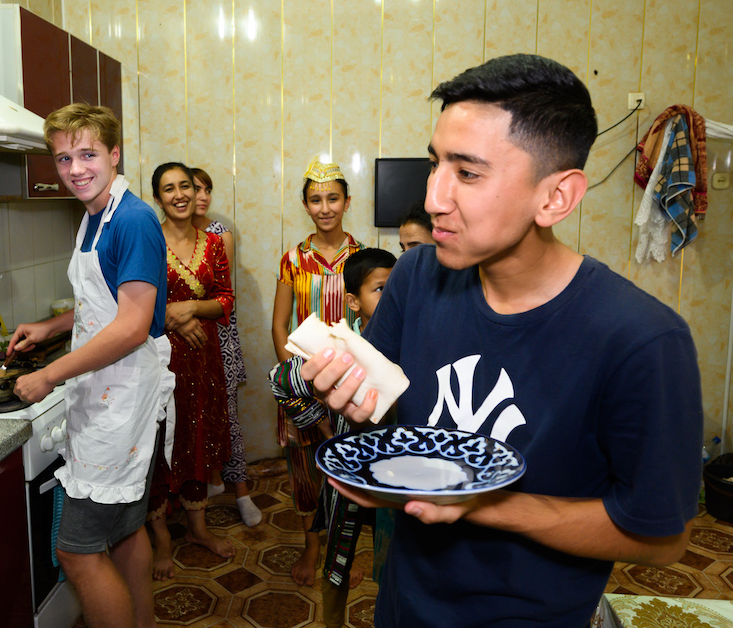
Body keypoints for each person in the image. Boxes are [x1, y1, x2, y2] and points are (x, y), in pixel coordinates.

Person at [301, 54, 702, 627]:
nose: (435, 197)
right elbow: (383, 428)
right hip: (403, 603)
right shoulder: (416, 278)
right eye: (436, 163)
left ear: (556, 197)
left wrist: (488, 506)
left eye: (467, 173)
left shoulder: (642, 340)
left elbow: (662, 539)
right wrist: (344, 396)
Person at [7, 103, 173, 628]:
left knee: (77, 553)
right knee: (125, 532)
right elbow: (102, 303)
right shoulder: (93, 217)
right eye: (63, 159)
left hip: (121, 401)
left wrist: (49, 373)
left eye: (87, 154)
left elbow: (131, 324)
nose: (75, 169)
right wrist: (49, 329)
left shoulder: (134, 219)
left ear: (114, 154)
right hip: (106, 393)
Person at [270, 247, 397, 628]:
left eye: (397, 290)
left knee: (394, 559)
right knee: (339, 554)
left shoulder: (411, 342)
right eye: (380, 290)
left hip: (393, 476)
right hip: (350, 473)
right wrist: (321, 426)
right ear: (354, 302)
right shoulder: (343, 348)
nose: (391, 299)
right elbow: (279, 380)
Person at [271, 159, 367, 587]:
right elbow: (279, 324)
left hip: (350, 379)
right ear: (305, 206)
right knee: (305, 466)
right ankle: (312, 547)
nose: (324, 207)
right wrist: (298, 380)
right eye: (315, 199)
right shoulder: (293, 258)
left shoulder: (363, 257)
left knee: (348, 461)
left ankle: (343, 547)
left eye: (332, 198)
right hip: (303, 382)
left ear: (347, 201)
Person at [146, 162, 236, 580]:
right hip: (159, 362)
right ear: (158, 197)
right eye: (169, 188)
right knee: (160, 440)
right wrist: (172, 317)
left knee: (197, 436)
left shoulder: (213, 243)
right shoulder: (147, 241)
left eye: (185, 185)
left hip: (204, 363)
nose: (180, 194)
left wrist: (191, 308)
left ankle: (198, 528)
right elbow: (132, 305)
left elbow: (225, 300)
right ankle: (162, 536)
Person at [189, 166, 263, 528]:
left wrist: (183, 309)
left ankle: (242, 492)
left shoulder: (220, 235)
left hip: (219, 334)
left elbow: (219, 292)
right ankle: (208, 485)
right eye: (195, 188)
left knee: (228, 416)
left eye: (207, 189)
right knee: (190, 419)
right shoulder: (164, 234)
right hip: (181, 337)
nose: (202, 196)